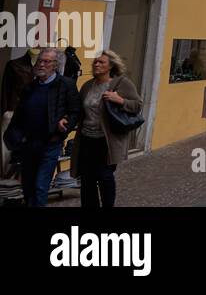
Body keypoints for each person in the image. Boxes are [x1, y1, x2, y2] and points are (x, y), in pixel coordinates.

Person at [5, 48, 80, 206]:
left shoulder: (65, 85)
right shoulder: (30, 87)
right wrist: (16, 137)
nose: (41, 64)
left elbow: (75, 111)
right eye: (40, 61)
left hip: (50, 144)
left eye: (47, 61)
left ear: (55, 65)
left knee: (40, 186)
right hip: (29, 144)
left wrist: (65, 123)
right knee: (28, 187)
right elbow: (19, 115)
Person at [72, 50, 142, 208]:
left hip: (107, 140)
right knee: (87, 178)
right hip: (86, 138)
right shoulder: (87, 86)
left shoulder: (121, 83)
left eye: (101, 62)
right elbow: (79, 110)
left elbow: (137, 105)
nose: (96, 64)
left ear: (111, 66)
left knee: (104, 176)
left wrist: (120, 100)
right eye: (95, 62)